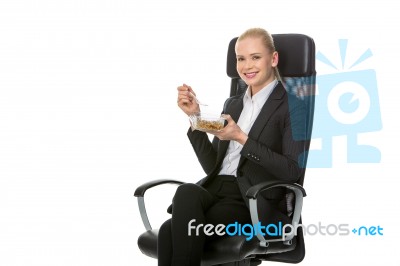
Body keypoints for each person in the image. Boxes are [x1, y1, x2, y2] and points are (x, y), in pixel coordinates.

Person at [157, 28, 307, 266]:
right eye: (241, 58)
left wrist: (241, 138)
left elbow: (292, 171)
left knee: (168, 232)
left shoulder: (293, 106)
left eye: (256, 57)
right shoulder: (233, 103)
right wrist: (195, 117)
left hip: (251, 198)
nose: (247, 65)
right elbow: (212, 166)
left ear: (274, 59)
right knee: (187, 191)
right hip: (216, 190)